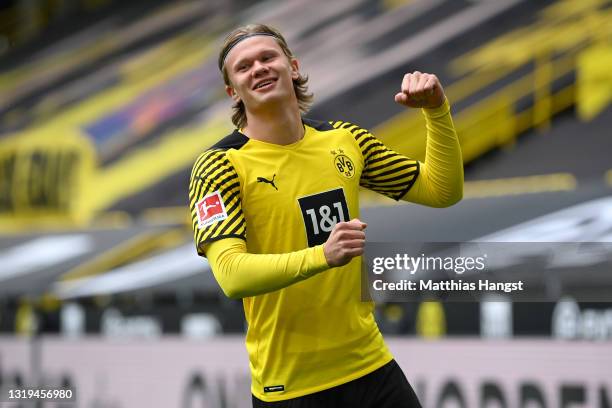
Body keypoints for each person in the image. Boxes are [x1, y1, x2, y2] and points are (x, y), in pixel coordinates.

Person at [189, 23, 463, 407]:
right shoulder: (219, 166)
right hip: (291, 388)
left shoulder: (344, 140)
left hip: (371, 367)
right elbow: (232, 275)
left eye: (268, 57)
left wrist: (436, 110)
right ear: (233, 91)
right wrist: (322, 255)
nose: (259, 68)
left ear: (294, 67)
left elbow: (442, 191)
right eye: (244, 66)